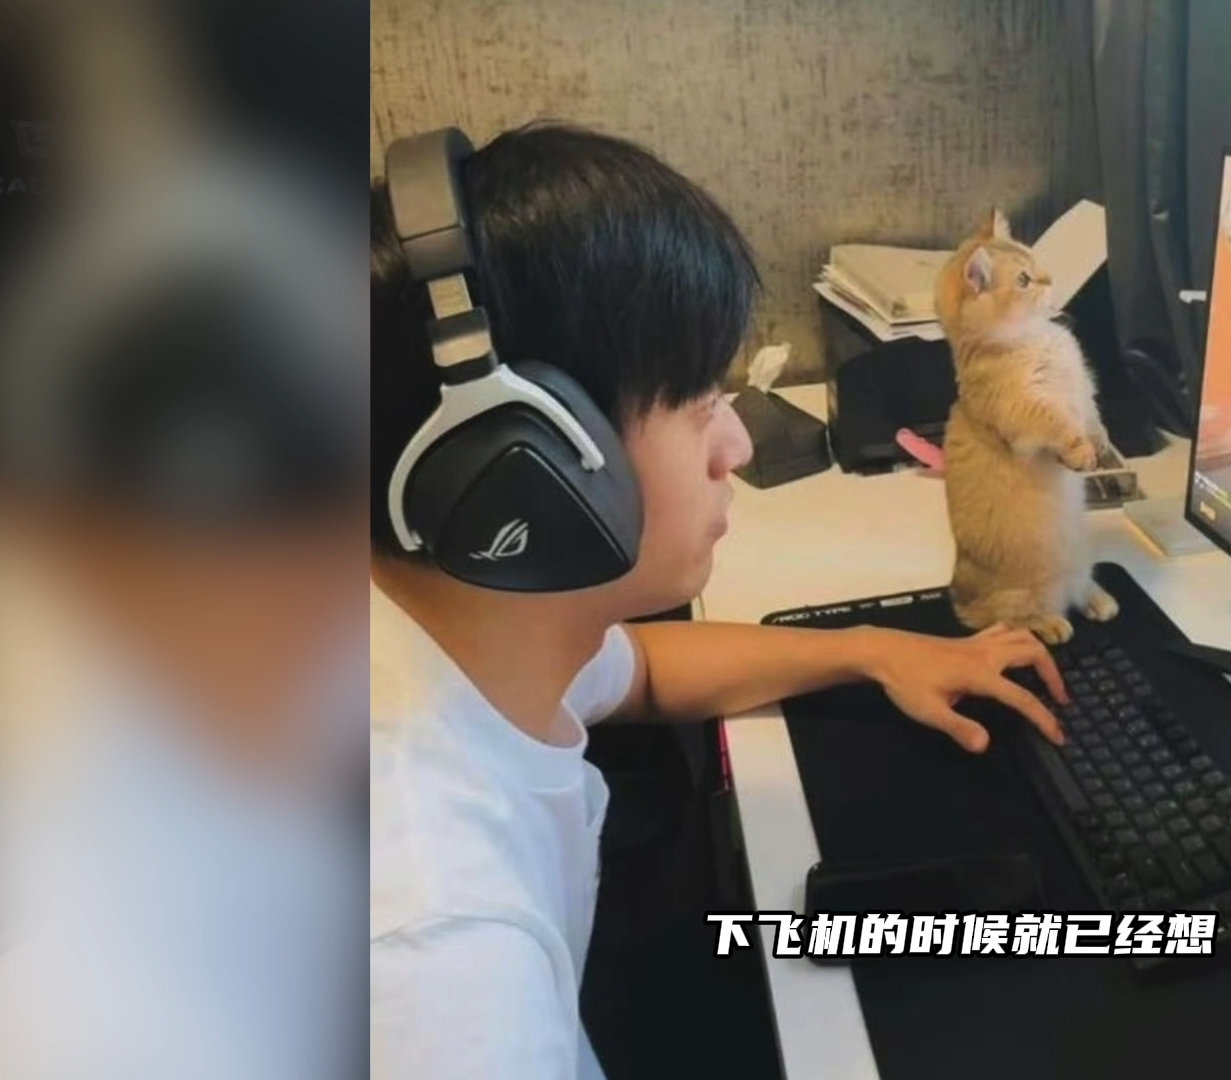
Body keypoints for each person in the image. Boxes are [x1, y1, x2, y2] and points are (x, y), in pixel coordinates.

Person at [369, 123, 1068, 1079]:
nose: (736, 447)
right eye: (701, 407)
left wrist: (872, 648)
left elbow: (640, 669)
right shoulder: (440, 962)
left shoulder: (445, 632)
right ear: (527, 470)